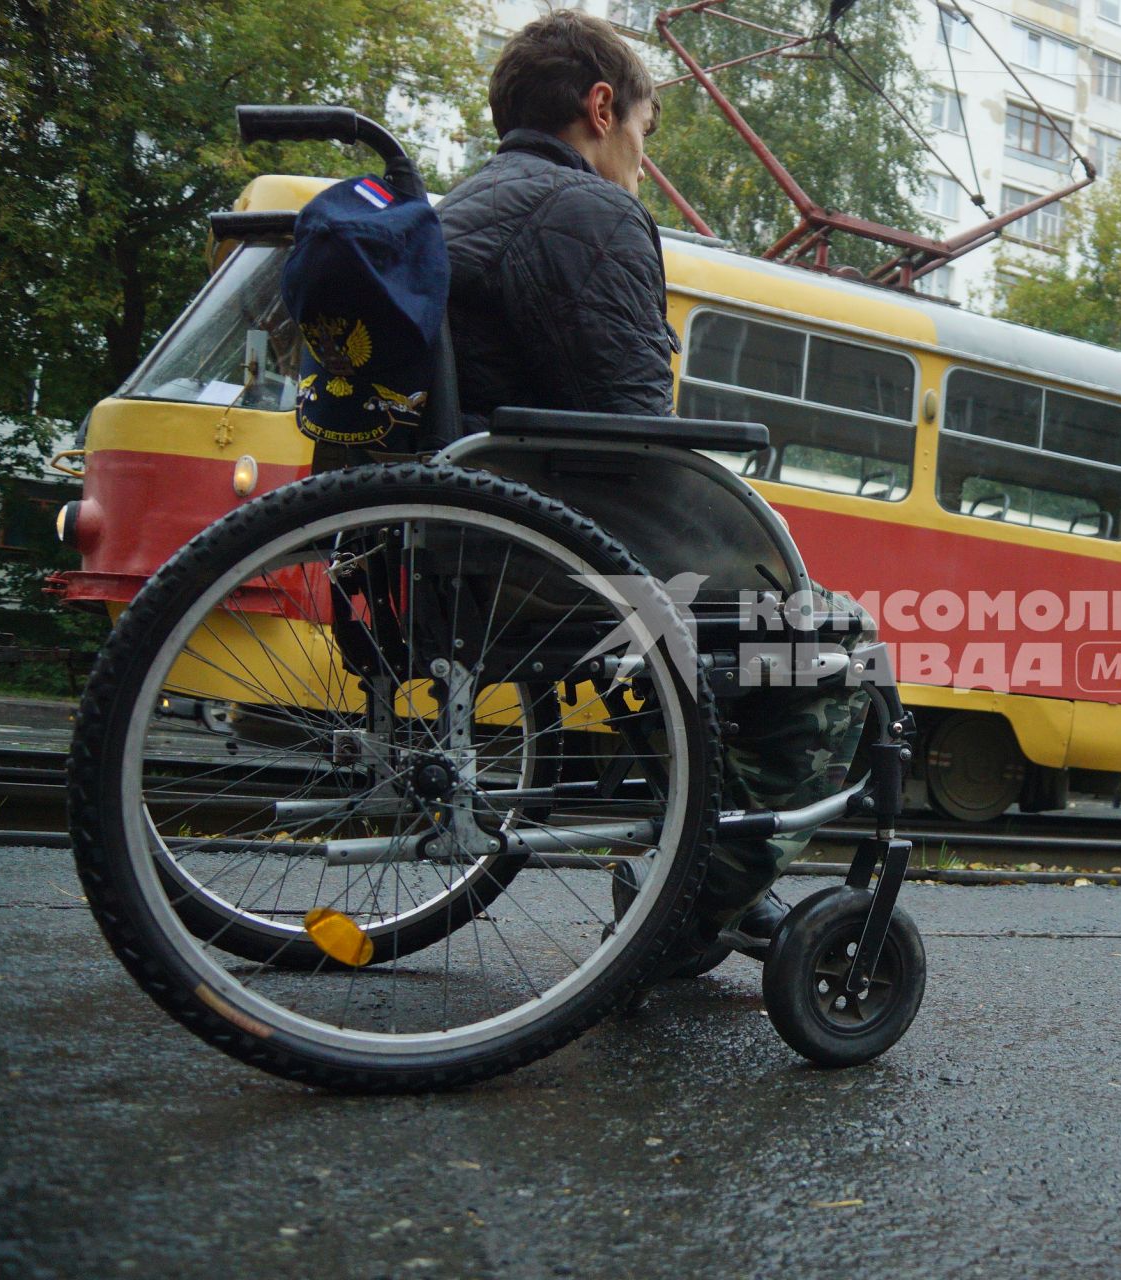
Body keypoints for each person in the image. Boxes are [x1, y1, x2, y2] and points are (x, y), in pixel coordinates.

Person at [439, 10, 872, 964]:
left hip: (463, 548)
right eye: (643, 125)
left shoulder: (461, 206)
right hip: (547, 561)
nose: (639, 148)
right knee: (831, 642)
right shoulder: (587, 210)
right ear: (601, 108)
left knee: (706, 647)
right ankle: (696, 898)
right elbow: (638, 424)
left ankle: (701, 874)